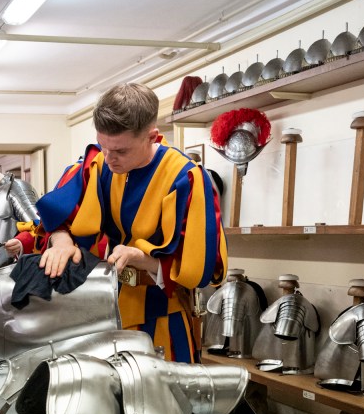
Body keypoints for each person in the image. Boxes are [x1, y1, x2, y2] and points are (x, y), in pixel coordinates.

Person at [37, 83, 227, 363]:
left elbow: (201, 269)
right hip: (102, 310)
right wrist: (62, 241)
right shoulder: (98, 165)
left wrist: (143, 258)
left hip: (162, 316)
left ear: (153, 137)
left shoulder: (184, 178)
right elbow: (58, 215)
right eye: (104, 146)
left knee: (164, 402)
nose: (110, 158)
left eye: (121, 151)